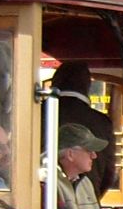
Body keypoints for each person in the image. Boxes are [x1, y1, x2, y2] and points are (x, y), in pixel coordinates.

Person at [50, 62, 117, 197]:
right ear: (87, 86)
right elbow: (109, 173)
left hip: (40, 205)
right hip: (87, 206)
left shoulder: (36, 114)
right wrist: (92, 196)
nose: (93, 155)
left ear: (54, 82)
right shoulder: (102, 122)